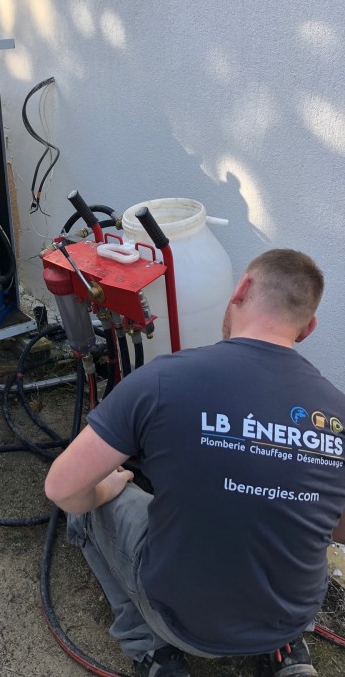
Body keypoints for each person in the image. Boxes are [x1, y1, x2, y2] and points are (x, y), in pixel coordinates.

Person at [45, 249, 345, 677]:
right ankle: (285, 657)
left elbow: (61, 488)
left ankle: (153, 651)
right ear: (308, 328)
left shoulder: (164, 380)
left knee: (86, 508)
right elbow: (339, 527)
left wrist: (109, 488)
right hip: (289, 616)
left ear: (240, 290)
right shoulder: (338, 412)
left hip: (180, 622)